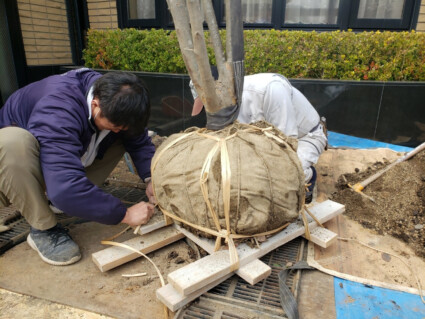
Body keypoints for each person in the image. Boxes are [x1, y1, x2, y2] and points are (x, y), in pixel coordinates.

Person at [0, 68, 156, 266]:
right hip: (11, 171)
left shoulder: (118, 101)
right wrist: (124, 214)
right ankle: (43, 228)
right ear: (95, 105)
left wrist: (152, 179)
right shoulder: (58, 109)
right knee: (14, 142)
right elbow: (65, 187)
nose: (118, 128)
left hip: (55, 158)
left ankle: (66, 200)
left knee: (121, 135)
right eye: (114, 124)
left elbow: (139, 142)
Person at [190, 72, 328, 203]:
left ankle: (308, 180)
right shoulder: (225, 104)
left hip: (304, 138)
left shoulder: (270, 88)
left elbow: (286, 143)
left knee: (286, 174)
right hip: (262, 140)